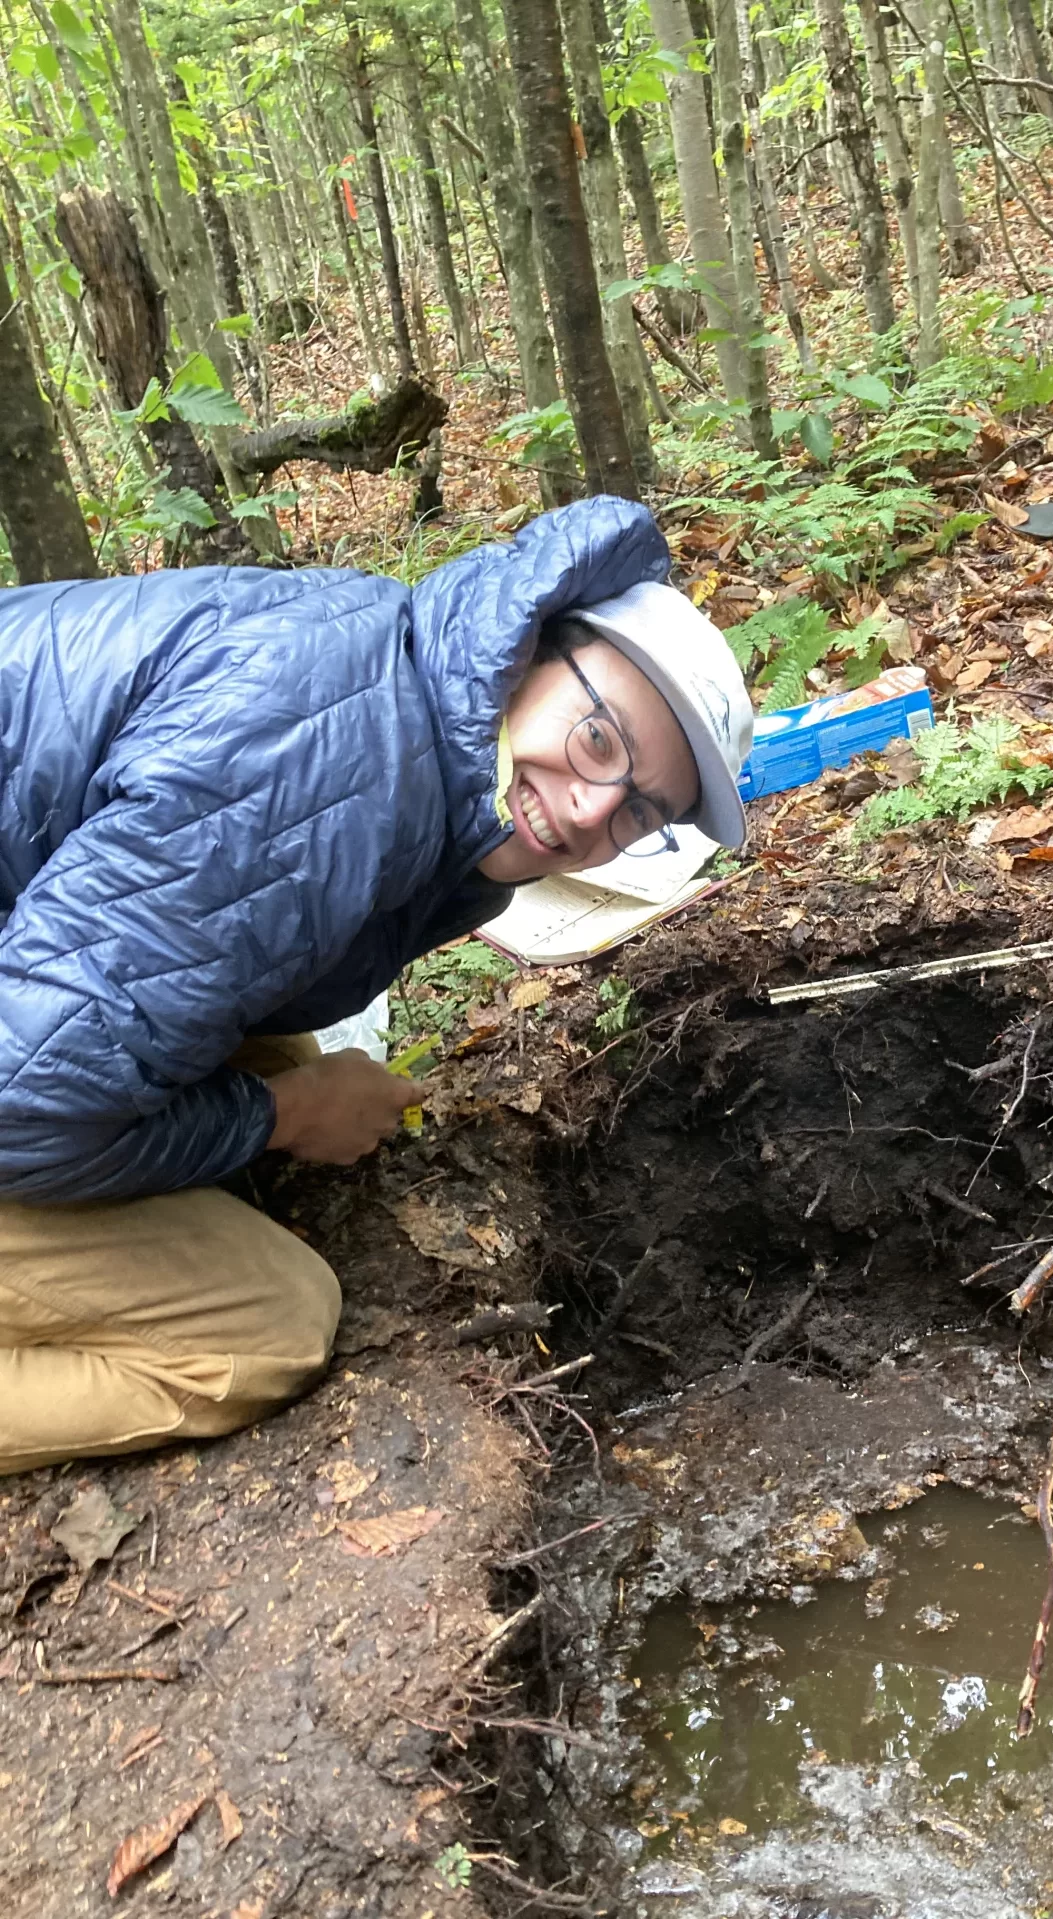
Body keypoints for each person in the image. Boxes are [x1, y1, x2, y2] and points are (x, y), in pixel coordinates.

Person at [0, 495, 751, 1475]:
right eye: (598, 740)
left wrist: (279, 1091)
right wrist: (285, 1115)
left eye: (640, 810)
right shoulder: (326, 780)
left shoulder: (402, 686)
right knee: (266, 1324)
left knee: (268, 1046)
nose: (587, 810)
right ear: (531, 649)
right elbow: (19, 1111)